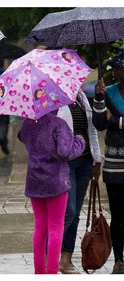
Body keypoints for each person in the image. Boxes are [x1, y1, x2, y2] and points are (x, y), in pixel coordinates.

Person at [18, 110, 85, 274]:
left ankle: (39, 271)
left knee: (40, 227)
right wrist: (79, 141)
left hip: (35, 181)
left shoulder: (28, 123)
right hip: (56, 182)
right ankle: (52, 272)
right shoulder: (58, 124)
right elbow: (65, 152)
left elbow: (21, 137)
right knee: (56, 227)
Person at [57, 90, 104, 274]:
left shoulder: (82, 98)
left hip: (85, 161)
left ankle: (66, 260)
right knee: (69, 211)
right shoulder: (56, 100)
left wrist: (97, 159)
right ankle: (51, 252)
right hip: (66, 162)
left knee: (75, 214)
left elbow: (90, 130)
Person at [92, 49, 124, 274]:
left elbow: (111, 122)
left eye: (120, 67)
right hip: (114, 165)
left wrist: (117, 122)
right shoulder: (109, 91)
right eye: (114, 67)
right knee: (118, 216)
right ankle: (119, 260)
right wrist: (100, 97)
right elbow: (100, 124)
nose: (115, 71)